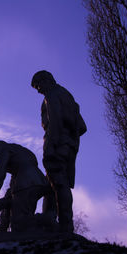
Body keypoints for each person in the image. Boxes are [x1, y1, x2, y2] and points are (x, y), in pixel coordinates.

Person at [31, 70, 87, 233]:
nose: (39, 90)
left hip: (56, 144)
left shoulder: (52, 95)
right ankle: (50, 220)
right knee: (53, 184)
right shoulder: (67, 96)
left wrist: (51, 144)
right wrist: (70, 136)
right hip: (68, 145)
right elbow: (82, 127)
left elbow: (54, 120)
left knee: (59, 183)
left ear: (47, 80)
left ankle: (65, 224)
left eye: (38, 86)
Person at [0, 140, 56, 233]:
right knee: (25, 219)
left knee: (19, 224)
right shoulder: (21, 151)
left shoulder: (4, 149)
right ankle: (43, 223)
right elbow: (15, 179)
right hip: (41, 182)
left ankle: (47, 219)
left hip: (26, 184)